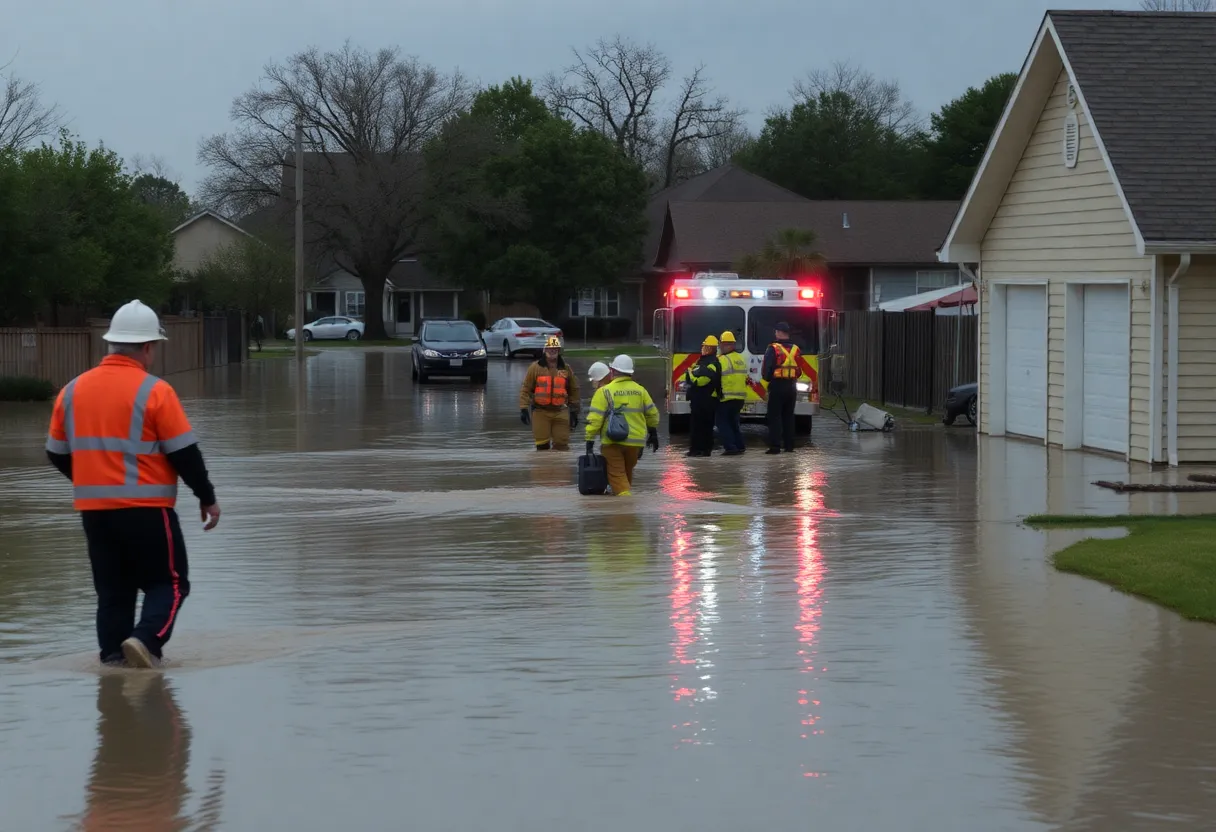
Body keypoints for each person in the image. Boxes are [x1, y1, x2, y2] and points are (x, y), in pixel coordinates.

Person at [45, 299, 220, 669]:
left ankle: (112, 660)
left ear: (110, 344)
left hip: (95, 513)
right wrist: (207, 497)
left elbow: (56, 453)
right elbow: (184, 453)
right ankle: (145, 641)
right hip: (147, 511)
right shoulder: (155, 391)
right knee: (170, 585)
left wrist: (90, 478)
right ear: (147, 347)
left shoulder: (71, 391)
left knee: (113, 592)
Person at [585, 355, 660, 496]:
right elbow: (652, 414)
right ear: (631, 372)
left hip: (612, 441)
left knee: (617, 476)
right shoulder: (641, 390)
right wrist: (653, 433)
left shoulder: (604, 391)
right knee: (626, 474)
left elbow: (595, 418)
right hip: (636, 443)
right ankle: (623, 505)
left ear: (612, 371)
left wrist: (589, 439)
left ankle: (626, 509)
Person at [519, 335, 580, 451]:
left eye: (555, 349)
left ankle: (559, 468)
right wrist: (523, 408)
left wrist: (574, 412)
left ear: (559, 350)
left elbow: (574, 390)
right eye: (550, 349)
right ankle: (544, 468)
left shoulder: (566, 369)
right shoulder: (535, 368)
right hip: (540, 411)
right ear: (545, 350)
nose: (552, 351)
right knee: (542, 446)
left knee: (562, 445)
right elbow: (526, 388)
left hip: (560, 411)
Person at [761, 321, 801, 454]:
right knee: (789, 416)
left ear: (778, 332)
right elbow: (799, 370)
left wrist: (768, 379)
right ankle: (789, 446)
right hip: (792, 386)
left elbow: (767, 369)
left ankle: (775, 446)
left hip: (777, 386)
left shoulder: (773, 348)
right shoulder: (796, 349)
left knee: (775, 416)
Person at [683, 334, 722, 457]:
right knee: (698, 426)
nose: (702, 348)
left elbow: (702, 381)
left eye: (705, 346)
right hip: (699, 400)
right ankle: (697, 449)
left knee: (703, 427)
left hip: (706, 400)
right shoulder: (703, 362)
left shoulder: (712, 364)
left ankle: (702, 450)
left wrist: (690, 374)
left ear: (710, 348)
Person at [716, 330, 748, 456]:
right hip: (739, 398)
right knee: (734, 423)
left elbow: (717, 378)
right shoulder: (740, 358)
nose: (721, 347)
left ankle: (730, 447)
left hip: (726, 398)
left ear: (726, 345)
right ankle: (740, 446)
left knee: (721, 422)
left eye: (722, 345)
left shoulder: (722, 360)